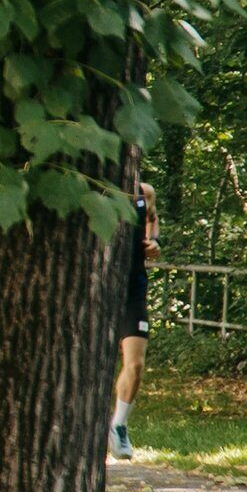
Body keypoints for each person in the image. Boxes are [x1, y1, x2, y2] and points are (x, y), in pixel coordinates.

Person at [112, 186, 156, 456]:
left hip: (133, 289)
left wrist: (154, 241)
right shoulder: (94, 186)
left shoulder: (145, 192)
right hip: (98, 287)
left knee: (136, 364)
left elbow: (152, 218)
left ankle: (118, 425)